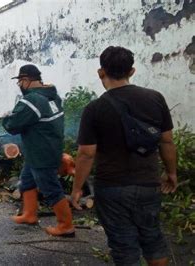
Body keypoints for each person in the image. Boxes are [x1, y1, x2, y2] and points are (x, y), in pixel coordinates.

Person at [71, 46, 177, 266]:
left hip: (112, 187)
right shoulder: (155, 98)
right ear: (132, 71)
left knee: (123, 246)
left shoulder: (95, 108)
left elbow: (86, 154)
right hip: (148, 182)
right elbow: (166, 141)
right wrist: (171, 173)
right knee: (153, 239)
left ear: (101, 73)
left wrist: (77, 187)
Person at [3, 64, 75, 237]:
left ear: (26, 80)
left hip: (41, 153)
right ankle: (29, 214)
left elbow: (13, 125)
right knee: (27, 180)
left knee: (50, 188)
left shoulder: (32, 100)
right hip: (46, 148)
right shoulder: (52, 96)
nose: (20, 85)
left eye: (20, 81)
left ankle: (66, 225)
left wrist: (6, 118)